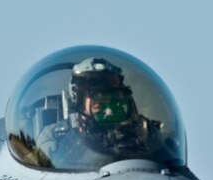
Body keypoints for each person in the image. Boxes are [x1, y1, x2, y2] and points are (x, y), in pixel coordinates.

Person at [36, 57, 164, 170]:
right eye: (93, 90)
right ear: (78, 97)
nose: (104, 99)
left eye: (109, 91)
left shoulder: (144, 131)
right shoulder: (55, 135)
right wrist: (73, 140)